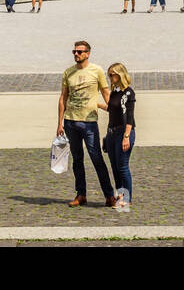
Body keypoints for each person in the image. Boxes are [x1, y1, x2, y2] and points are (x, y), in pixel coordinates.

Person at [58, 41, 116, 207]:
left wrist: (115, 111)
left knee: (96, 157)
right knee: (77, 160)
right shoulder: (68, 72)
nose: (76, 54)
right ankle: (81, 194)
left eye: (80, 52)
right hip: (70, 121)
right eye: (74, 52)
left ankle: (109, 195)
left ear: (88, 53)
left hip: (89, 122)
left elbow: (106, 92)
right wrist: (59, 123)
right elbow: (63, 97)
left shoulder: (96, 70)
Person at [100, 62, 136, 209]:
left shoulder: (128, 93)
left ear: (120, 74)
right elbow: (111, 109)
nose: (110, 77)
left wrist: (126, 136)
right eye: (109, 75)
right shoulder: (114, 92)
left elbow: (129, 116)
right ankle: (120, 196)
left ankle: (127, 199)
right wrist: (94, 105)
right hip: (112, 133)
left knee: (122, 166)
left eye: (112, 74)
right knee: (114, 167)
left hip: (124, 132)